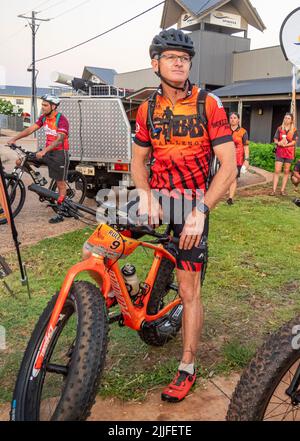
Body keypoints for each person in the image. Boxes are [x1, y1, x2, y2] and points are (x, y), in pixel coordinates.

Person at [131, 28, 236, 403]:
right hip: (156, 197)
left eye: (185, 58)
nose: (179, 62)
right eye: (171, 56)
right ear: (155, 63)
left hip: (192, 202)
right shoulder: (147, 109)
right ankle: (109, 306)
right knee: (98, 246)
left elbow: (229, 165)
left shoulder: (209, 104)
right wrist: (144, 195)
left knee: (189, 290)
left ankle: (188, 364)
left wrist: (202, 211)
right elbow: (138, 160)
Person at [8, 95, 69, 223]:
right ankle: (38, 178)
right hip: (46, 152)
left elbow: (59, 139)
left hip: (59, 154)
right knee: (20, 161)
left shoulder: (61, 120)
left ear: (54, 107)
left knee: (60, 183)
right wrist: (14, 139)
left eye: (45, 105)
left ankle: (61, 212)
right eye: (42, 105)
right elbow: (31, 129)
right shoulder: (43, 118)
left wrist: (44, 151)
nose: (42, 107)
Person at [270, 113, 298, 196]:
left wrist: (286, 145)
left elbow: (294, 142)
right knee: (277, 170)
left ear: (291, 120)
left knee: (286, 171)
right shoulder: (279, 128)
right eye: (285, 118)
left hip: (289, 153)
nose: (286, 119)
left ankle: (282, 190)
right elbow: (275, 139)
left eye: (288, 118)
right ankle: (273, 190)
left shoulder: (294, 130)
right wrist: (279, 143)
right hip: (280, 152)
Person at [227, 112, 250, 205]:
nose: (233, 119)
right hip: (225, 158)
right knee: (225, 177)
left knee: (233, 178)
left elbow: (246, 147)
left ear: (238, 120)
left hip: (238, 158)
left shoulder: (243, 131)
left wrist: (247, 160)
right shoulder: (224, 130)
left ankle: (230, 198)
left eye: (235, 118)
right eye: (231, 118)